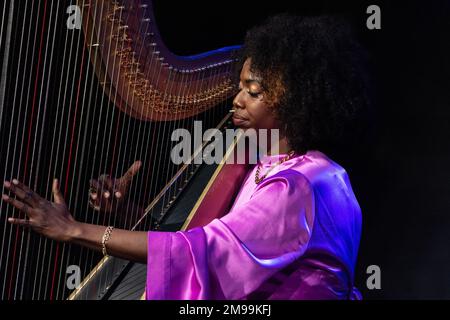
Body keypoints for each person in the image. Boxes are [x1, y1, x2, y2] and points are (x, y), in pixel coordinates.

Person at [2, 14, 370, 299]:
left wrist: (74, 230)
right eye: (239, 87)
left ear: (294, 99)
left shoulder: (301, 183)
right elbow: (215, 244)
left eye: (252, 91)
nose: (236, 100)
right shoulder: (270, 167)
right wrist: (128, 215)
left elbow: (206, 251)